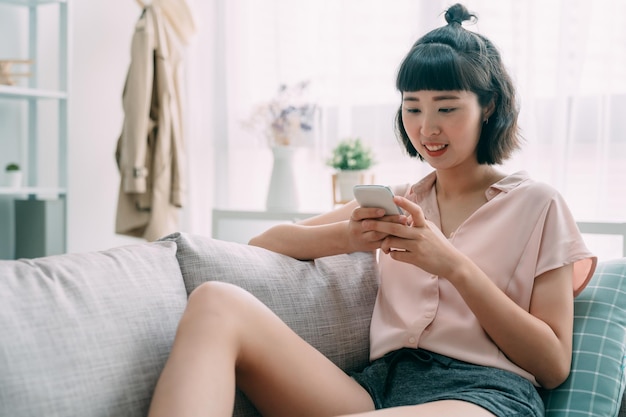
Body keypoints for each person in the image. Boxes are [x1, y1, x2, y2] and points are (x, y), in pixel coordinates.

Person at [148, 4, 597, 417]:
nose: (427, 127)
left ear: (489, 106)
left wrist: (455, 266)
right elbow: (265, 243)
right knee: (216, 302)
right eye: (413, 107)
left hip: (483, 394)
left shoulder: (539, 204)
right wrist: (349, 237)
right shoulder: (403, 199)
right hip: (379, 389)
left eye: (446, 107)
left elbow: (553, 364)